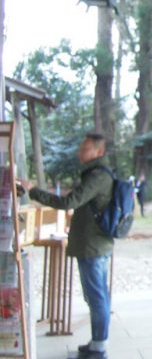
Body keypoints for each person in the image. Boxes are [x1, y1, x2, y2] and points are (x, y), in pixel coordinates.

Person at [19, 133, 114, 359]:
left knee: (97, 297)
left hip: (93, 246)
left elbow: (68, 202)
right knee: (95, 296)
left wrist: (33, 190)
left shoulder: (98, 176)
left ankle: (99, 347)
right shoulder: (94, 174)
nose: (80, 152)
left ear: (98, 152)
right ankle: (96, 342)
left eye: (86, 149)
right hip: (93, 244)